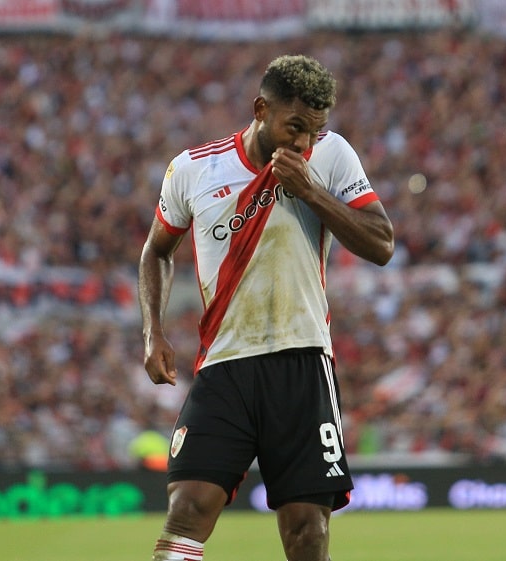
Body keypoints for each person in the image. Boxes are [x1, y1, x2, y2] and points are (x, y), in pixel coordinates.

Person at [138, 55, 394, 561]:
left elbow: (382, 242)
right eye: (295, 126)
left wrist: (310, 191)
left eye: (314, 130)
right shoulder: (194, 169)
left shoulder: (331, 155)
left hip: (302, 361)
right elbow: (156, 251)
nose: (304, 142)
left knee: (307, 531)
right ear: (261, 109)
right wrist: (154, 331)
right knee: (186, 509)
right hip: (224, 366)